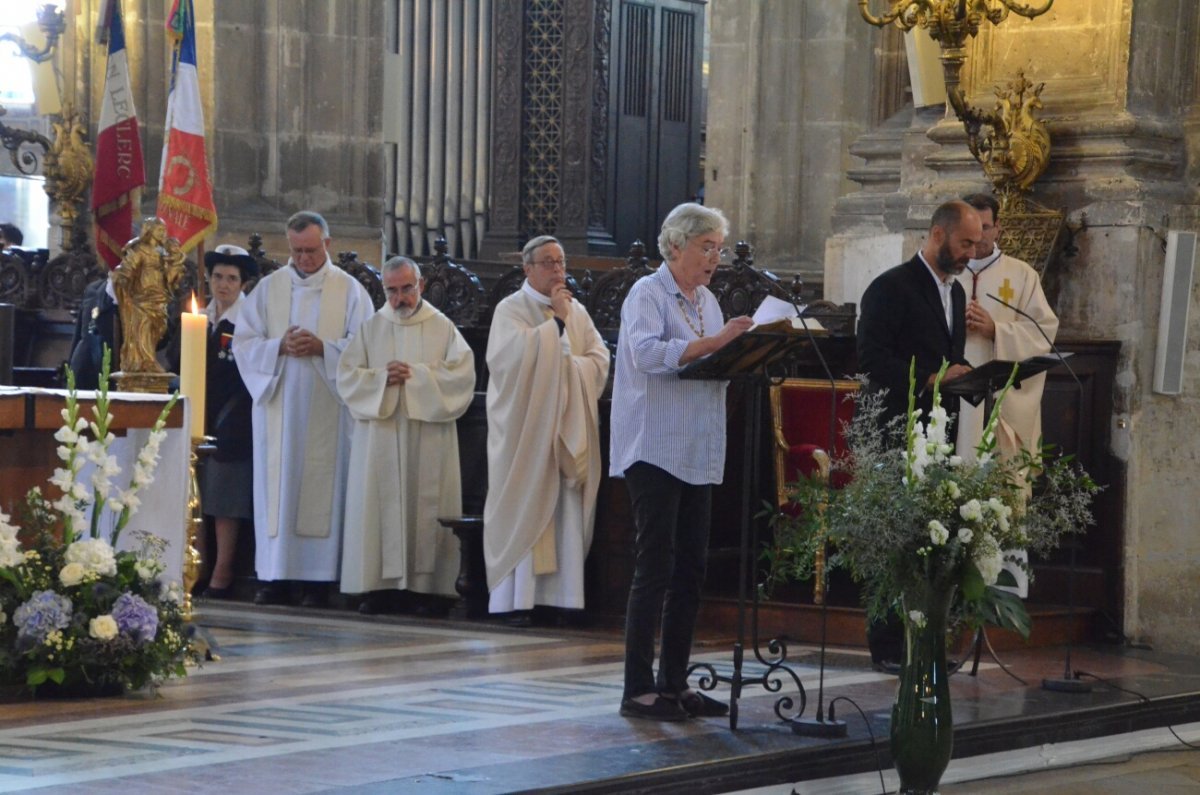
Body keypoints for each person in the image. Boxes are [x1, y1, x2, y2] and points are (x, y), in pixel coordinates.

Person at [610, 202, 753, 722]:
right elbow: (646, 355)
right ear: (675, 246)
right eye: (705, 247)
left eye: (719, 248)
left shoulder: (709, 301)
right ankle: (637, 688)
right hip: (654, 445)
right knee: (655, 566)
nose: (714, 258)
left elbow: (711, 361)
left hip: (696, 447)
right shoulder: (645, 294)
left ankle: (674, 682)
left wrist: (741, 353)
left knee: (691, 568)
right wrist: (717, 343)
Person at [856, 199, 982, 670]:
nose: (973, 251)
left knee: (931, 537)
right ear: (936, 235)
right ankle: (888, 648)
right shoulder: (891, 288)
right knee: (895, 540)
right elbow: (871, 360)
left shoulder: (954, 294)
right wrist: (933, 379)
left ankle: (925, 644)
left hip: (939, 429)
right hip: (895, 427)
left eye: (976, 242)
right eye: (965, 242)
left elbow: (949, 360)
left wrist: (968, 379)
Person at [233, 211, 374, 607]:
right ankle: (275, 577)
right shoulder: (268, 288)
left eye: (311, 250)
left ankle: (317, 581)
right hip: (277, 405)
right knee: (278, 487)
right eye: (296, 251)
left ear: (327, 244)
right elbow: (243, 343)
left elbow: (364, 349)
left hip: (328, 404)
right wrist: (278, 346)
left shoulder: (350, 292)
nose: (304, 259)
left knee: (320, 485)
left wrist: (322, 349)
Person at [336, 256, 475, 615]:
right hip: (381, 434)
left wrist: (416, 376)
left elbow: (461, 377)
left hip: (426, 436)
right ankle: (377, 588)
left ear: (421, 286)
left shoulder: (442, 328)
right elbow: (348, 378)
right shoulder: (371, 328)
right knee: (378, 507)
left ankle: (426, 591)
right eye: (392, 290)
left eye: (406, 289)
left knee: (425, 504)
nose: (400, 298)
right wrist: (382, 378)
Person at [483, 236, 609, 625]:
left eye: (561, 262)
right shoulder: (511, 309)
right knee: (526, 506)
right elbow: (505, 362)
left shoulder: (579, 312)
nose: (558, 270)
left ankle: (563, 599)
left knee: (564, 513)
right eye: (548, 263)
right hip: (526, 435)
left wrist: (574, 370)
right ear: (528, 269)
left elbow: (599, 359)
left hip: (566, 430)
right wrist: (554, 323)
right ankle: (517, 601)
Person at [955, 193, 1059, 598]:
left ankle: (1006, 595)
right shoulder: (947, 273)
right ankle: (956, 587)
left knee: (1005, 496)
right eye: (970, 231)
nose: (977, 240)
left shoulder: (1021, 275)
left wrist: (996, 331)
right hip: (955, 404)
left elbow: (1044, 334)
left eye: (984, 229)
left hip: (1003, 408)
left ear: (998, 228)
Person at [196, 245, 258, 599]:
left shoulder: (246, 322)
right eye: (217, 276)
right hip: (200, 414)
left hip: (233, 419)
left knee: (225, 499)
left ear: (242, 283)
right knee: (199, 496)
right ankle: (201, 564)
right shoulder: (200, 318)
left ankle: (224, 569)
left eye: (231, 278)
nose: (223, 284)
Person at [110, 217, 186, 374]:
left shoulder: (163, 252)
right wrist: (124, 279)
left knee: (158, 328)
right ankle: (143, 363)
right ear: (149, 231)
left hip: (159, 297)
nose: (163, 233)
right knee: (142, 330)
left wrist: (175, 265)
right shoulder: (139, 250)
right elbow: (126, 270)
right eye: (159, 230)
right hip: (141, 297)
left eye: (164, 230)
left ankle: (149, 358)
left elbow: (170, 278)